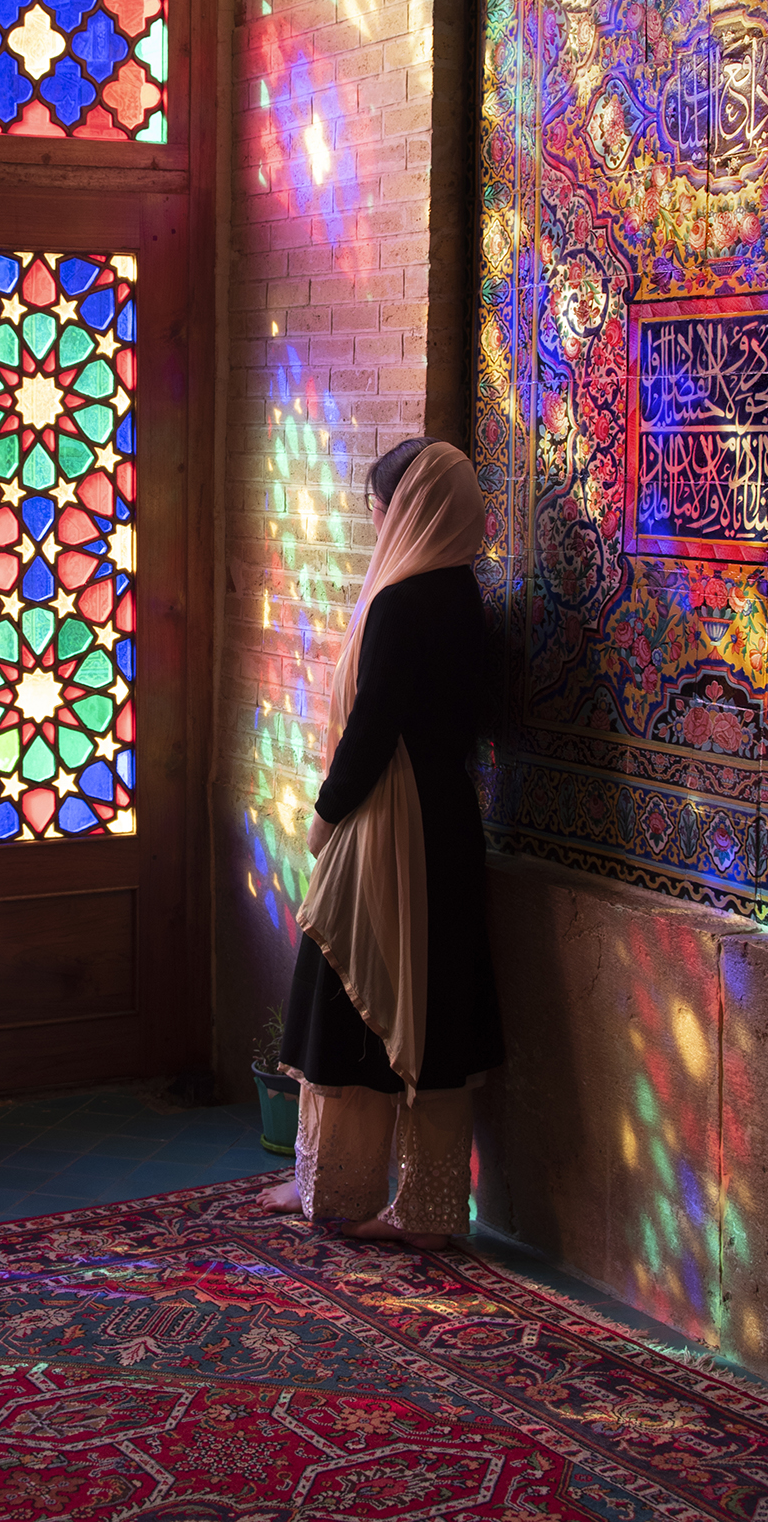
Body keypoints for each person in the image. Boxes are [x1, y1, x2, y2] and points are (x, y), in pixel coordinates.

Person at [259, 437, 504, 1248]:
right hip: (445, 824)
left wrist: (325, 814)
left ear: (409, 511)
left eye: (381, 507)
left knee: (343, 989)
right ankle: (429, 1209)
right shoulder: (467, 596)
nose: (374, 522)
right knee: (432, 1009)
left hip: (386, 827)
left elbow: (372, 729)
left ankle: (333, 1183)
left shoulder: (401, 601)